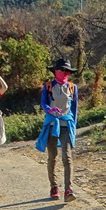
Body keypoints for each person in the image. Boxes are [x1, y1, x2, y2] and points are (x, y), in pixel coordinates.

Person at [35, 58, 79, 202]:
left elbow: (74, 108)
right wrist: (49, 109)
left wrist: (74, 126)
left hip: (66, 124)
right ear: (55, 71)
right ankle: (54, 186)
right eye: (61, 69)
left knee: (67, 157)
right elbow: (43, 102)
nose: (64, 72)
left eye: (67, 70)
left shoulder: (72, 87)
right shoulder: (48, 86)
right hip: (52, 124)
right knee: (52, 156)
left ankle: (68, 190)